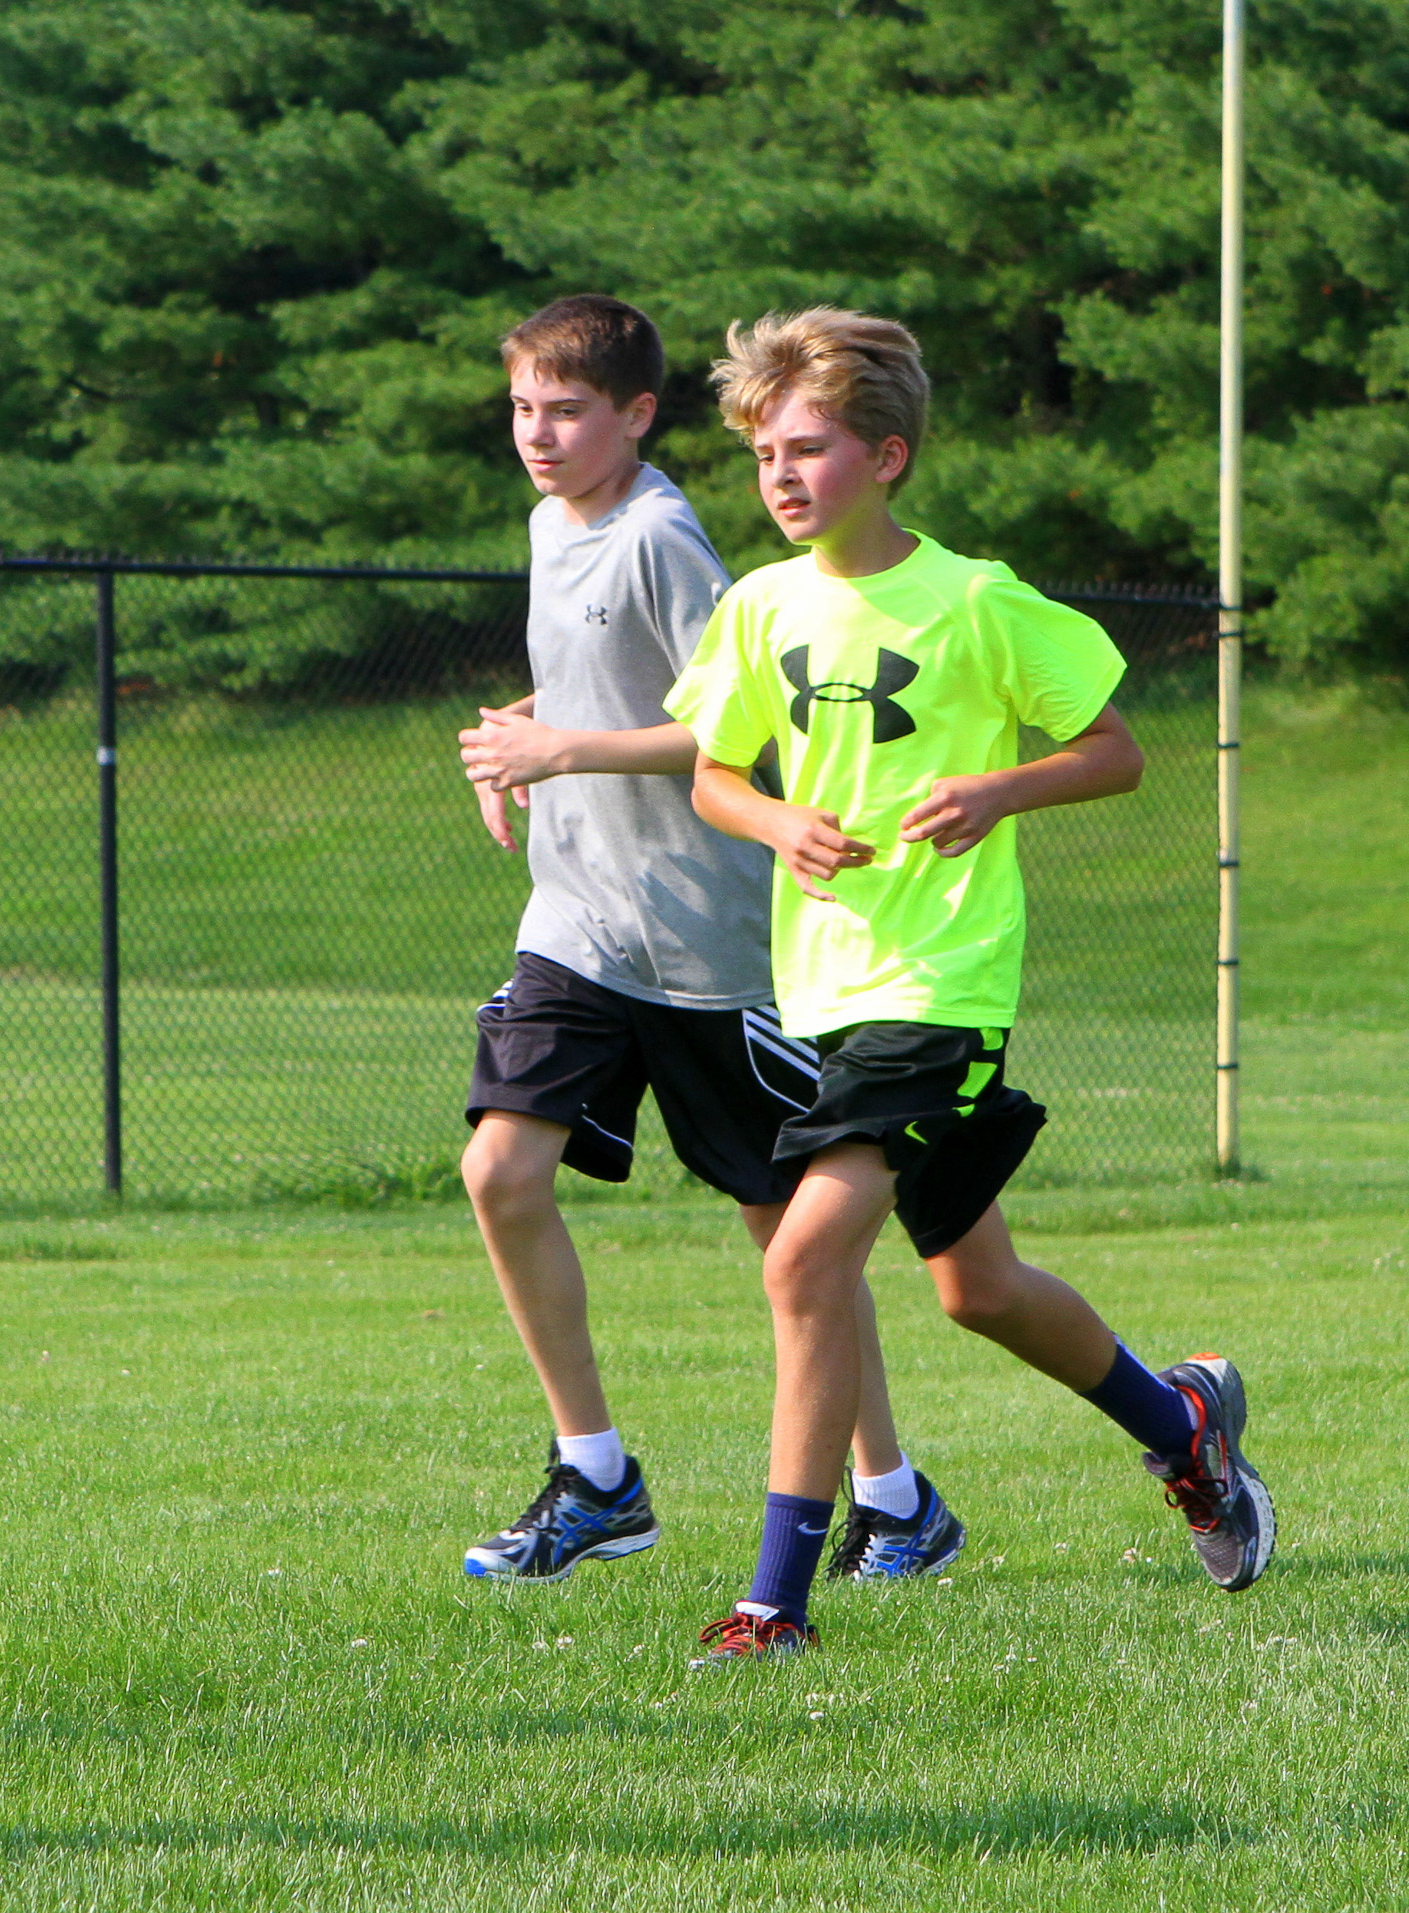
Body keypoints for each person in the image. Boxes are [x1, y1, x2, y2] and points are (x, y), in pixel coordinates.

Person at [662, 306, 1273, 1666]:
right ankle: (1184, 1426)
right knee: (976, 1287)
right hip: (826, 988)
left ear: (886, 456)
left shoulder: (980, 600)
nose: (780, 474)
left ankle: (774, 1602)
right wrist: (777, 822)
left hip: (943, 984)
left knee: (805, 1253)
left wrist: (999, 788)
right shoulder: (761, 606)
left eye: (808, 448)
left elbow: (1114, 751)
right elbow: (712, 773)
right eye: (764, 453)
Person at [454, 295, 959, 1586]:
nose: (538, 434)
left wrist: (565, 748)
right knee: (501, 1168)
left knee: (791, 1242)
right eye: (522, 409)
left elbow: (736, 723)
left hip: (708, 948)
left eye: (567, 411)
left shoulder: (661, 536)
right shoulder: (551, 523)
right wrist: (520, 739)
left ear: (636, 415)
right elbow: (599, 685)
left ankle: (895, 1498)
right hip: (579, 925)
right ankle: (596, 1476)